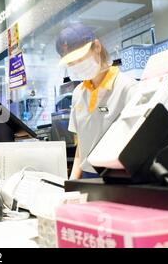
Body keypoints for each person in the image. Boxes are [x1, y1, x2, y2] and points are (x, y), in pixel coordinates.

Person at [56, 22, 137, 180]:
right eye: (71, 63)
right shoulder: (78, 93)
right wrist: (72, 183)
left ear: (97, 47)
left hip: (120, 176)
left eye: (80, 57)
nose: (77, 66)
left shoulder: (128, 87)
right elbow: (83, 145)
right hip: (88, 176)